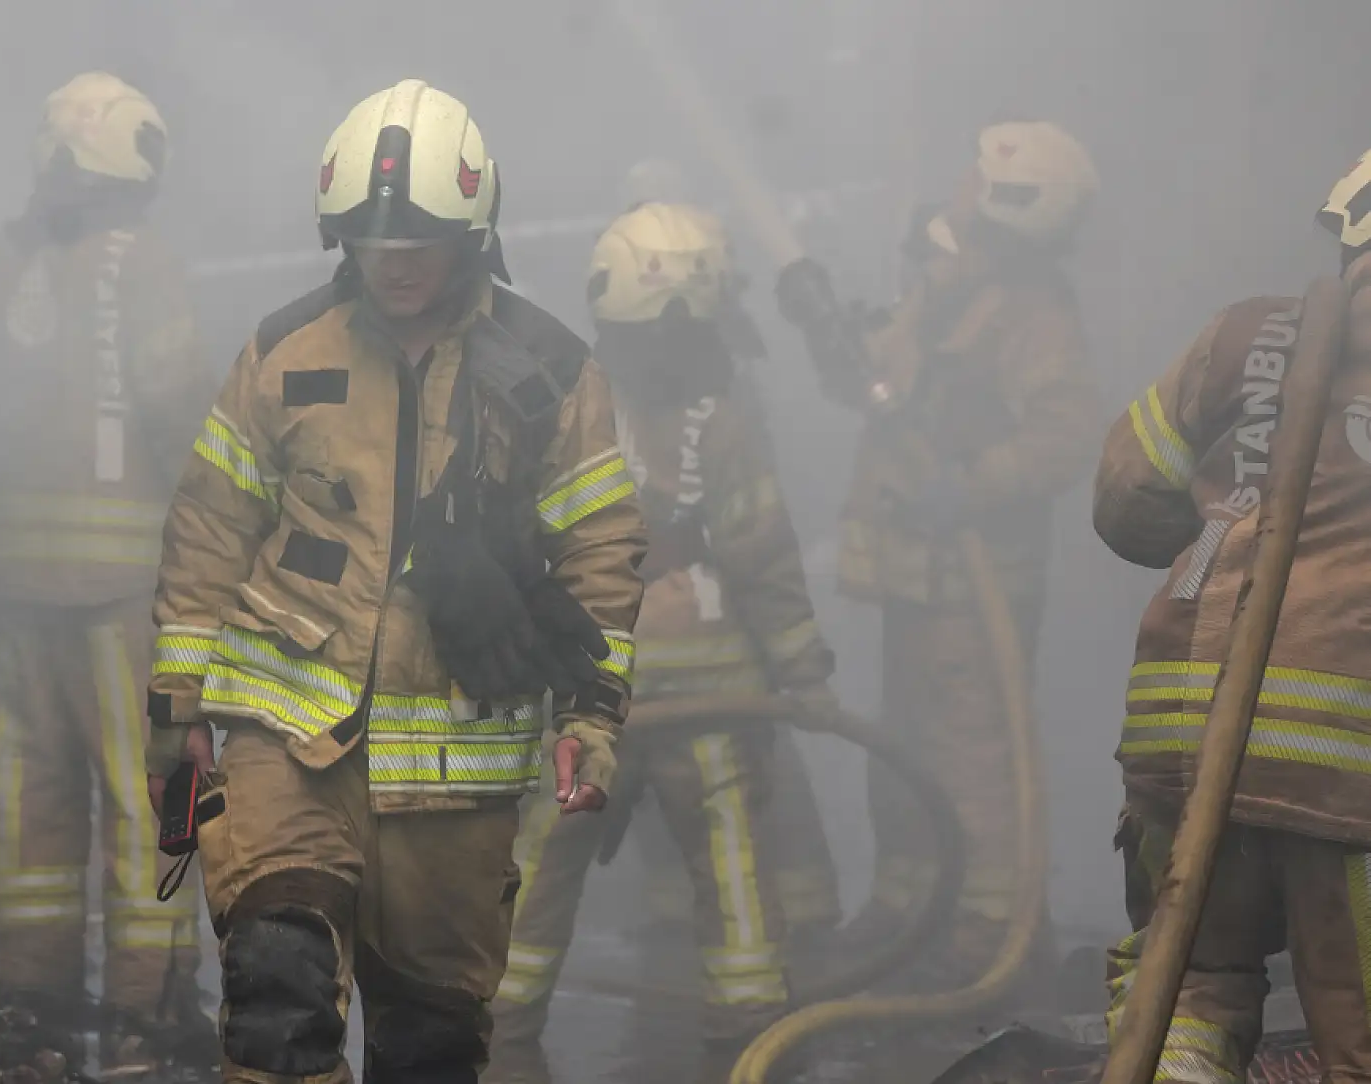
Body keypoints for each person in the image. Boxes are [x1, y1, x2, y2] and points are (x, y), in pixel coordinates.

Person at [142, 79, 647, 1084]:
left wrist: (591, 718)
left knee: (430, 1045)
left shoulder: (549, 372)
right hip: (288, 739)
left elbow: (601, 548)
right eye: (372, 237)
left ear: (473, 232)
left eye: (419, 238)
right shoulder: (284, 353)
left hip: (454, 777)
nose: (395, 260)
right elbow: (209, 529)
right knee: (275, 990)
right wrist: (176, 702)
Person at [490, 202, 840, 1083]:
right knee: (729, 865)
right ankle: (754, 1033)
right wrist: (802, 673)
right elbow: (764, 557)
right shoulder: (719, 422)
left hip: (590, 690)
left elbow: (524, 541)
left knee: (541, 860)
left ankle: (500, 1028)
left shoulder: (568, 403)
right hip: (710, 691)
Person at [0, 72, 214, 1053]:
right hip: (126, 599)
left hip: (13, 596)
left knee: (29, 811)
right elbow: (177, 407)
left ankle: (28, 1016)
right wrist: (218, 543)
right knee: (152, 805)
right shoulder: (145, 263)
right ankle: (144, 1021)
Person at [776, 120, 1102, 985]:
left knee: (974, 757)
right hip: (919, 573)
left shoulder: (1035, 312)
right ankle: (906, 901)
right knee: (908, 746)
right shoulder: (950, 291)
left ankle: (992, 930)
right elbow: (876, 384)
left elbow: (1065, 438)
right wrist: (824, 331)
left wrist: (973, 482)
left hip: (979, 579)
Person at [1096, 150, 1371, 1084]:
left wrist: (1229, 522)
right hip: (1349, 762)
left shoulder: (1245, 333)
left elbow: (1126, 496)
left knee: (1190, 997)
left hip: (1180, 716)